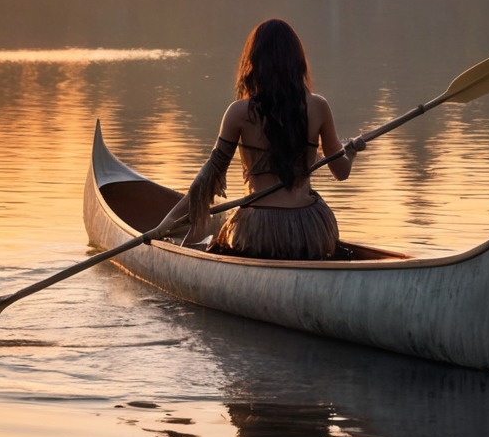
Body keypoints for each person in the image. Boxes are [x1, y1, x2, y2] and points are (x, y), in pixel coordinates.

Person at [153, 18, 365, 259]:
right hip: (312, 231)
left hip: (258, 231)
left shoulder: (239, 113)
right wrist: (351, 152)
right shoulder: (319, 107)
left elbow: (207, 182)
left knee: (219, 241)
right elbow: (341, 171)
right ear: (297, 62)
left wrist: (167, 222)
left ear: (254, 62)